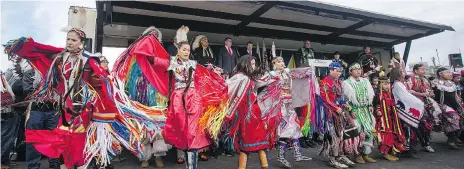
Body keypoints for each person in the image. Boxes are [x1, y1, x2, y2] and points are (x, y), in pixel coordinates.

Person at [3, 29, 139, 168]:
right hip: (64, 108)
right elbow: (42, 53)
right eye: (68, 39)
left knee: (79, 141)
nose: (69, 42)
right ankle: (66, 164)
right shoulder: (60, 56)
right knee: (62, 139)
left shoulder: (88, 58)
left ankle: (81, 164)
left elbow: (102, 78)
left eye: (73, 40)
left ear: (82, 43)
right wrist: (27, 46)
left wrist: (105, 73)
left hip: (82, 109)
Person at [162, 26, 228, 169]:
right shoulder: (171, 62)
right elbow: (155, 62)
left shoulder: (193, 64)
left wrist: (216, 73)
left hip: (193, 99)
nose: (186, 52)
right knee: (183, 131)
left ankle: (192, 166)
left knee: (193, 132)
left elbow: (205, 74)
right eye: (184, 49)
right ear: (178, 50)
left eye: (188, 50)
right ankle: (185, 159)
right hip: (179, 100)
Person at [224, 55, 282, 169]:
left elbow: (264, 80)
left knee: (259, 143)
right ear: (245, 64)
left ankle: (264, 167)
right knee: (246, 146)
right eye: (252, 63)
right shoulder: (240, 77)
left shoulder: (252, 78)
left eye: (255, 64)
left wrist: (276, 73)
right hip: (246, 115)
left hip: (255, 113)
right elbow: (227, 88)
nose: (253, 66)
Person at [269, 54, 311, 168]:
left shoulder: (288, 72)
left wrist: (308, 71)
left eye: (282, 61)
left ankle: (297, 154)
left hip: (290, 104)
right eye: (279, 62)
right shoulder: (271, 75)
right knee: (284, 131)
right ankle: (281, 156)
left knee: (295, 127)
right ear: (274, 64)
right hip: (280, 106)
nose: (282, 63)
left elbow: (299, 74)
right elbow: (267, 89)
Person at [319, 62, 357, 169]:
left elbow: (340, 97)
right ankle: (333, 159)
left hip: (340, 113)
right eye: (337, 70)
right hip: (330, 114)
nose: (339, 73)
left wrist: (345, 104)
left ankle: (340, 155)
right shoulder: (325, 82)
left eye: (340, 71)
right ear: (330, 70)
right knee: (334, 136)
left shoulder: (338, 82)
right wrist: (336, 108)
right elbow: (325, 99)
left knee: (341, 135)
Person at [342, 63, 376, 164]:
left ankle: (366, 154)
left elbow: (370, 96)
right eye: (355, 69)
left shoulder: (365, 81)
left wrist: (370, 105)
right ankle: (357, 155)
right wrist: (351, 110)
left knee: (369, 130)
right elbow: (345, 99)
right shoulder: (346, 83)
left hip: (366, 110)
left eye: (359, 69)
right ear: (350, 71)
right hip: (355, 111)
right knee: (358, 132)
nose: (358, 71)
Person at [390, 67, 425, 159]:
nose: (404, 72)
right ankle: (407, 150)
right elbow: (405, 97)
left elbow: (406, 95)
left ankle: (408, 150)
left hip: (402, 110)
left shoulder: (399, 84)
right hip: (402, 110)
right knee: (408, 131)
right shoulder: (397, 84)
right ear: (397, 73)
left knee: (409, 131)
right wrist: (419, 103)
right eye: (401, 71)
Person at [373, 76, 405, 161]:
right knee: (385, 134)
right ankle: (385, 153)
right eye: (385, 84)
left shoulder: (390, 94)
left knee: (393, 133)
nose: (387, 86)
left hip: (391, 117)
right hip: (383, 119)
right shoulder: (377, 94)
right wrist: (378, 111)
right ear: (380, 84)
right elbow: (376, 105)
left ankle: (391, 151)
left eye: (388, 84)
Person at [431, 68, 462, 150]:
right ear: (440, 74)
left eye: (450, 72)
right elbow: (432, 95)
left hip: (454, 104)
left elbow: (455, 95)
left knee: (460, 118)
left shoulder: (451, 83)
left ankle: (455, 137)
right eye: (447, 72)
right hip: (442, 105)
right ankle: (451, 140)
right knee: (454, 118)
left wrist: (459, 103)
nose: (450, 74)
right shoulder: (435, 83)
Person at [408, 64, 436, 153]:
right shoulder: (411, 79)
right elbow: (408, 91)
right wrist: (422, 94)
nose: (424, 71)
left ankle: (426, 143)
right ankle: (413, 145)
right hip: (415, 105)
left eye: (424, 69)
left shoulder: (425, 79)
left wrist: (431, 93)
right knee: (416, 125)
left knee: (428, 124)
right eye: (422, 69)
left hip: (426, 104)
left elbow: (429, 89)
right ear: (415, 71)